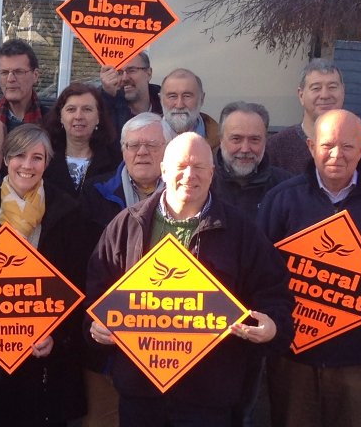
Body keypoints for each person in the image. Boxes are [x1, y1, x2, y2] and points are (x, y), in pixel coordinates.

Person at [85, 133, 293, 426]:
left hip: (208, 397)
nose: (190, 175)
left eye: (199, 167)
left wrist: (273, 326)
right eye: (182, 166)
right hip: (140, 394)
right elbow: (97, 291)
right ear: (164, 169)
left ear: (212, 173)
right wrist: (94, 326)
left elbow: (274, 294)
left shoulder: (242, 231)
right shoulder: (126, 225)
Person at [255, 109, 361, 427]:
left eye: (347, 146)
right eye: (327, 145)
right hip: (293, 354)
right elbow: (260, 269)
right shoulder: (281, 200)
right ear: (312, 147)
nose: (337, 155)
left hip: (360, 355)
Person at [0, 124, 92, 426]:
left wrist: (57, 335)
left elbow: (77, 283)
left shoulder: (68, 213)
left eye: (37, 157)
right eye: (19, 155)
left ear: (47, 162)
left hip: (43, 357)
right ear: (6, 159)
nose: (27, 165)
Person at [75, 112, 171, 427]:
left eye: (151, 145)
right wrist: (92, 322)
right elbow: (81, 269)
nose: (141, 152)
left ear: (168, 149)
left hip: (170, 345)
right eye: (133, 145)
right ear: (122, 150)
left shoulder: (190, 199)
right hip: (108, 346)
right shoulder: (96, 194)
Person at [211, 102, 293, 222]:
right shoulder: (201, 184)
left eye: (254, 140)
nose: (245, 149)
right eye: (236, 139)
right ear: (221, 140)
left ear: (265, 141)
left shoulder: (286, 188)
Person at [266, 59, 344, 175]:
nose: (325, 95)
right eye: (316, 88)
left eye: (332, 87)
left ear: (343, 91)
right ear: (301, 95)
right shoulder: (276, 147)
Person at [41, 83, 120, 193]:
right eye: (71, 109)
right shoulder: (44, 157)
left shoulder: (115, 161)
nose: (78, 116)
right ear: (60, 117)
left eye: (87, 109)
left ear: (98, 117)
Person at [0, 39, 49, 130]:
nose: (10, 79)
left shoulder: (52, 123)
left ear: (35, 76)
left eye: (19, 72)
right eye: (4, 72)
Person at [159, 68, 221, 148]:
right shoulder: (143, 142)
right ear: (160, 99)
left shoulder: (222, 142)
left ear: (201, 99)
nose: (179, 105)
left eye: (187, 96)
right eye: (172, 96)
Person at [101, 52, 160, 129]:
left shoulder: (167, 108)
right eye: (119, 72)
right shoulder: (104, 113)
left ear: (148, 73)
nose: (125, 78)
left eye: (132, 70)